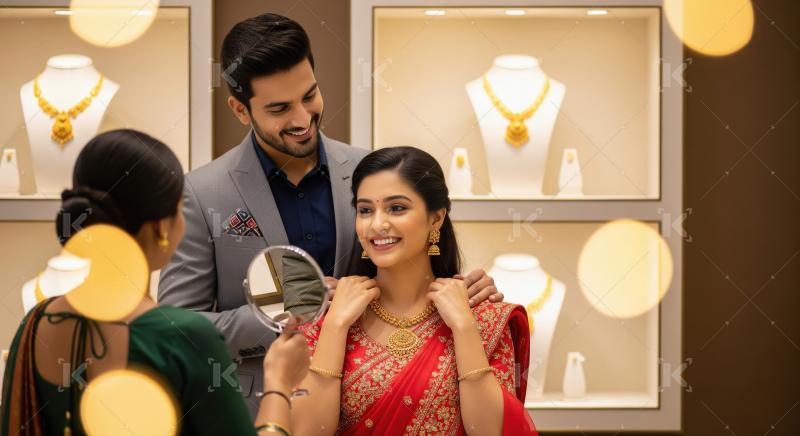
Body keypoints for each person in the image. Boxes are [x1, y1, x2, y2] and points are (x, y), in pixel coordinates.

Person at [157, 13, 503, 416]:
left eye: (309, 96)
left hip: (374, 407)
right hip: (261, 415)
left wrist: (467, 288)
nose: (302, 120)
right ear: (240, 110)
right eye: (280, 108)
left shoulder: (370, 171)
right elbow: (176, 332)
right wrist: (294, 310)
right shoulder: (201, 193)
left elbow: (411, 270)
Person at [0, 129, 307, 436]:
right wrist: (279, 383)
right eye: (180, 209)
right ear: (162, 226)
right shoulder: (183, 337)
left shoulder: (35, 325)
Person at [294, 147, 538, 435]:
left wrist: (463, 327)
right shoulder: (325, 319)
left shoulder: (484, 319)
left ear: (436, 218)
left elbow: (489, 431)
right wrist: (335, 327)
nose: (377, 224)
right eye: (365, 210)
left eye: (397, 208)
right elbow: (307, 431)